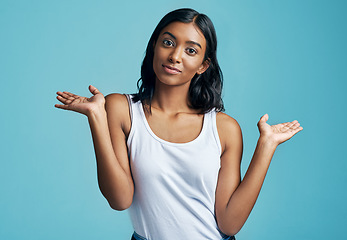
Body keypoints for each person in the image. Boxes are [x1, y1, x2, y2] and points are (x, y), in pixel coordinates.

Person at [55, 8, 302, 240]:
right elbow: (119, 199)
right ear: (154, 46)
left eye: (191, 51)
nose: (175, 56)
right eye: (168, 43)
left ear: (203, 65)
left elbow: (229, 223)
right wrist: (96, 117)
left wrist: (266, 146)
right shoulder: (121, 109)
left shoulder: (224, 128)